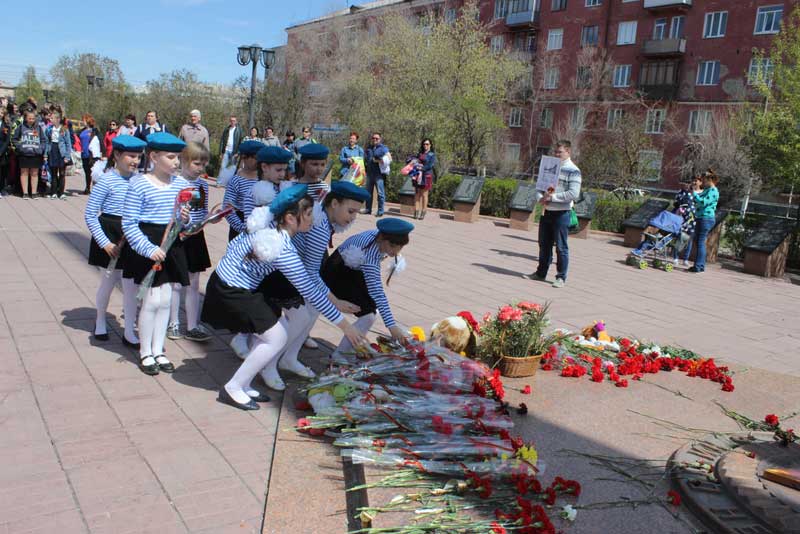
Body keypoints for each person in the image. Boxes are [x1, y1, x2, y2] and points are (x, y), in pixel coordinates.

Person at [201, 184, 366, 409]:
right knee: (276, 337)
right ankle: (233, 387)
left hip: (235, 286)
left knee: (277, 332)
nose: (312, 219)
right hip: (231, 291)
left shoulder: (272, 227)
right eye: (308, 214)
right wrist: (345, 326)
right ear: (290, 218)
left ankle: (245, 383)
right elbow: (309, 289)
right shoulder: (280, 247)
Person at [277, 180, 370, 379]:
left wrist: (332, 300)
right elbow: (311, 273)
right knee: (302, 315)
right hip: (280, 275)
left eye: (356, 213)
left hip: (291, 272)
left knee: (310, 310)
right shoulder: (320, 228)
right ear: (334, 204)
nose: (352, 218)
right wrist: (335, 302)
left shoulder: (322, 220)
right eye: (350, 211)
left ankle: (288, 357)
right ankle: (272, 361)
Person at [122, 132, 190, 376]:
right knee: (151, 301)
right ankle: (145, 351)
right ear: (153, 156)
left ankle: (159, 349)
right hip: (148, 244)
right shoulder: (139, 183)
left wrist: (185, 219)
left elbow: (184, 220)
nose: (176, 162)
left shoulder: (181, 184)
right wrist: (148, 249)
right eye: (171, 157)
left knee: (166, 300)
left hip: (171, 244)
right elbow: (129, 223)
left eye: (178, 158)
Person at [226, 145, 293, 360]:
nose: (282, 175)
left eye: (284, 170)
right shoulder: (254, 191)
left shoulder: (281, 189)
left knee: (268, 298)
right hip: (258, 250)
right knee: (255, 294)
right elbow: (249, 221)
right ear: (264, 167)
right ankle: (242, 335)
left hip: (275, 250)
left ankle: (259, 338)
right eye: (278, 170)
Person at [84, 135, 145, 347]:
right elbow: (91, 214)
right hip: (110, 233)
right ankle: (100, 320)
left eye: (138, 156)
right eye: (131, 156)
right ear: (117, 155)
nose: (135, 161)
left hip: (131, 235)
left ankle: (129, 330)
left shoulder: (139, 180)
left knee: (130, 286)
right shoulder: (106, 180)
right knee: (108, 281)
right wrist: (105, 243)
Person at [322, 217, 413, 359]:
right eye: (393, 246)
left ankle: (344, 351)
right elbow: (377, 292)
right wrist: (392, 327)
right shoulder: (369, 256)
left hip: (352, 270)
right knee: (368, 314)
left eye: (400, 247)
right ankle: (339, 355)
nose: (396, 252)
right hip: (336, 274)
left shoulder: (380, 236)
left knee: (371, 311)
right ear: (383, 239)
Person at [168, 142, 214, 342]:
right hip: (178, 237)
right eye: (196, 163)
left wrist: (211, 218)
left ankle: (192, 325)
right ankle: (173, 324)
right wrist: (182, 219)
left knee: (194, 282)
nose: (201, 168)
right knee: (176, 283)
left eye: (204, 164)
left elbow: (202, 210)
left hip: (196, 236)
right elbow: (170, 213)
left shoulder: (203, 184)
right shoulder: (174, 182)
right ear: (184, 161)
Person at [527, 140, 582, 288]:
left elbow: (574, 193)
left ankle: (560, 277)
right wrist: (540, 199)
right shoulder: (549, 166)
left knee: (561, 247)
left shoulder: (573, 170)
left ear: (568, 152)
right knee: (544, 244)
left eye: (560, 152)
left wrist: (553, 198)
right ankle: (540, 273)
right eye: (556, 152)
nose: (557, 154)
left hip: (562, 213)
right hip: (547, 212)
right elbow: (539, 187)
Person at [222, 140, 263, 241]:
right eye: (255, 158)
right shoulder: (236, 180)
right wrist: (242, 228)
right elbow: (227, 208)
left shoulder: (263, 179)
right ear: (244, 157)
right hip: (240, 224)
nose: (259, 161)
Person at [689, 169, 720, 273]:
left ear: (709, 179)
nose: (703, 182)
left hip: (706, 218)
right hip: (700, 217)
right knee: (698, 242)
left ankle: (698, 266)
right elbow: (697, 201)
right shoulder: (707, 190)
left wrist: (695, 194)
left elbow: (703, 202)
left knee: (700, 242)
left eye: (704, 180)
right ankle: (700, 265)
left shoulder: (713, 191)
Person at [11, 109, 46, 199]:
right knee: (24, 173)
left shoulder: (38, 128)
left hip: (35, 154)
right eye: (29, 118)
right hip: (24, 154)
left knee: (34, 173)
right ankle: (25, 193)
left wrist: (40, 149)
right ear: (26, 118)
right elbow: (14, 139)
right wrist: (20, 147)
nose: (31, 120)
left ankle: (34, 193)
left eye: (33, 118)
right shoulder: (21, 127)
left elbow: (43, 140)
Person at [672, 175, 700, 266]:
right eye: (685, 183)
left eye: (688, 183)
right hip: (681, 218)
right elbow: (675, 203)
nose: (687, 185)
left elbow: (698, 204)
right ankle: (675, 258)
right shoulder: (680, 192)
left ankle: (686, 259)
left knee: (689, 239)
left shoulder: (695, 193)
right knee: (679, 237)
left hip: (692, 219)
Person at [45, 113, 72, 199]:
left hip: (61, 152)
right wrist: (45, 154)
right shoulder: (49, 129)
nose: (50, 120)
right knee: (53, 172)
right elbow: (46, 142)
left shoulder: (64, 130)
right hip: (52, 150)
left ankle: (61, 192)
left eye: (52, 118)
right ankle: (53, 192)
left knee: (62, 173)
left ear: (58, 119)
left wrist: (67, 157)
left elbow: (68, 144)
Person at [363, 132, 389, 217]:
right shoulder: (369, 148)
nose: (375, 140)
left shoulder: (383, 148)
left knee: (380, 193)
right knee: (368, 193)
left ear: (380, 139)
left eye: (376, 138)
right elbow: (365, 159)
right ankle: (368, 209)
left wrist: (378, 161)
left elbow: (389, 158)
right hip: (369, 173)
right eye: (373, 138)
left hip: (379, 174)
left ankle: (380, 211)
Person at [412, 138, 436, 220]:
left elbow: (430, 165)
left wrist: (421, 168)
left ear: (430, 145)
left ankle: (423, 211)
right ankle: (416, 211)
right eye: (424, 144)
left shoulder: (432, 155)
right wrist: (414, 165)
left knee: (424, 194)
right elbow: (415, 161)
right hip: (417, 175)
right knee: (417, 193)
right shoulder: (419, 153)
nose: (425, 146)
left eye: (427, 144)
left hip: (426, 176)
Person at [79, 115, 101, 194]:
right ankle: (87, 187)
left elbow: (100, 141)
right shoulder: (82, 130)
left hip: (92, 155)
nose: (82, 122)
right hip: (84, 153)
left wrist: (102, 153)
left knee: (93, 172)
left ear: (88, 121)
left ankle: (95, 188)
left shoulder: (94, 131)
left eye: (83, 120)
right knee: (87, 172)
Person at [218, 115, 243, 185]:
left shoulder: (239, 130)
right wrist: (220, 152)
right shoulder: (226, 129)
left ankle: (229, 184)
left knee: (232, 169)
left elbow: (241, 142)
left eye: (234, 121)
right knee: (223, 166)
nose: (232, 122)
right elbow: (222, 141)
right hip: (226, 150)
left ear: (236, 121)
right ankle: (219, 182)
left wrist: (238, 152)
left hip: (234, 152)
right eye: (231, 120)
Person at [0, 109, 10, 197]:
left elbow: (7, 141)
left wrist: (1, 151)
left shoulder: (6, 126)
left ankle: (2, 188)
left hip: (2, 152)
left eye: (2, 113)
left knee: (2, 171)